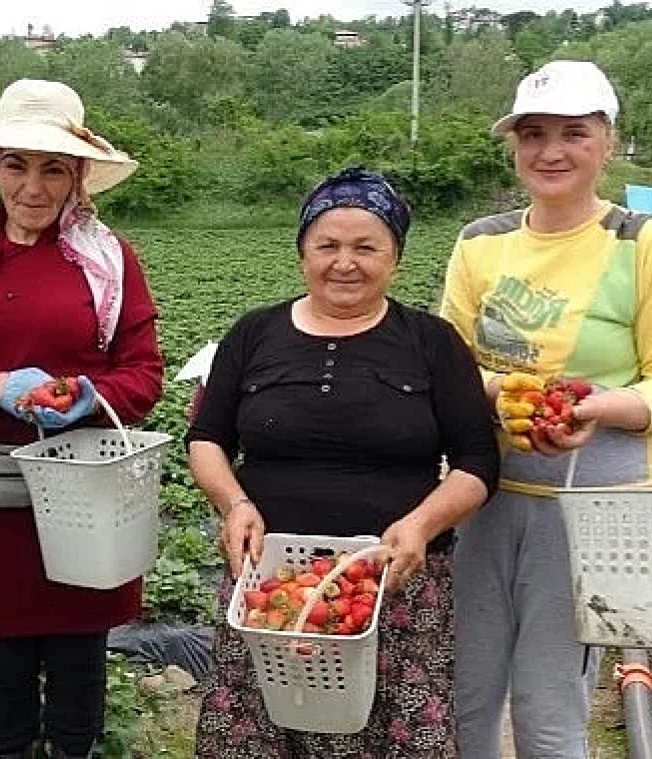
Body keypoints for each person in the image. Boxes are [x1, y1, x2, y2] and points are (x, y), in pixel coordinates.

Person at [439, 60, 652, 758]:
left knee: (549, 707)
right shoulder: (479, 242)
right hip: (483, 501)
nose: (550, 151)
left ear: (607, 142)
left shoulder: (642, 243)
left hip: (596, 513)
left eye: (573, 133)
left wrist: (601, 405)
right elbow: (448, 370)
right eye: (532, 134)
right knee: (461, 699)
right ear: (513, 143)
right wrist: (505, 393)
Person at [186, 166, 501, 757]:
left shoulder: (431, 342)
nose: (344, 262)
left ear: (396, 256)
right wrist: (235, 504)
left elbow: (477, 461)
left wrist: (422, 525)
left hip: (394, 585)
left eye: (366, 246)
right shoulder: (254, 334)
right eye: (327, 245)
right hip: (269, 587)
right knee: (259, 728)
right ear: (303, 251)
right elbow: (206, 437)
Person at [0, 79, 164, 759]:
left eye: (54, 168)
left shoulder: (107, 263)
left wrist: (90, 392)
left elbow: (144, 373)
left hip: (84, 493)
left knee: (80, 659)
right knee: (3, 666)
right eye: (17, 165)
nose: (33, 186)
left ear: (78, 176)